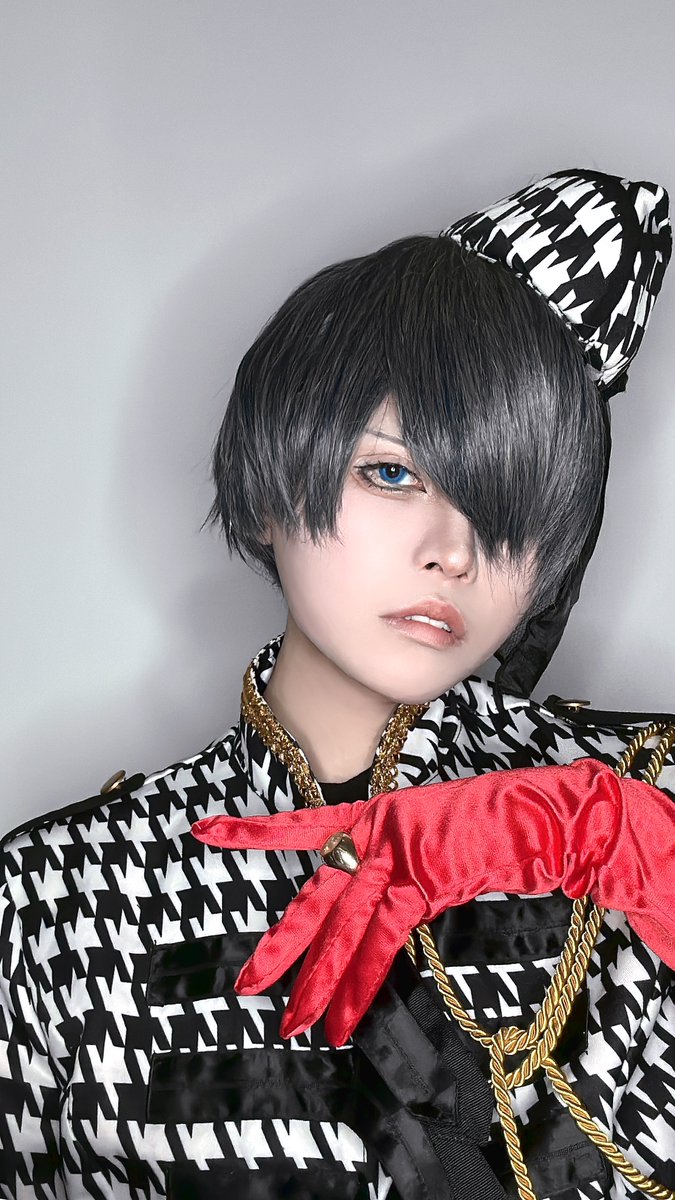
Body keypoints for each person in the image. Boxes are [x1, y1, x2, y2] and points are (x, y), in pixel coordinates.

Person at [1, 169, 673, 1200]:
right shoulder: (58, 902)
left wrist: (608, 836)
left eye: (510, 515)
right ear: (275, 479)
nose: (454, 551)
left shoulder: (635, 801)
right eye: (392, 474)